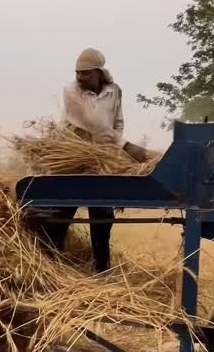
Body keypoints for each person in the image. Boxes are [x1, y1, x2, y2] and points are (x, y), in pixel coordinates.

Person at [32, 48, 146, 273]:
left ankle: (102, 269)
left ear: (99, 72)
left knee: (102, 217)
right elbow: (93, 123)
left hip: (102, 161)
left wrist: (111, 149)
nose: (79, 77)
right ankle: (52, 267)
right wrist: (125, 145)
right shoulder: (71, 91)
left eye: (85, 73)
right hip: (74, 158)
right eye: (77, 73)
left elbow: (117, 121)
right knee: (62, 213)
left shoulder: (115, 91)